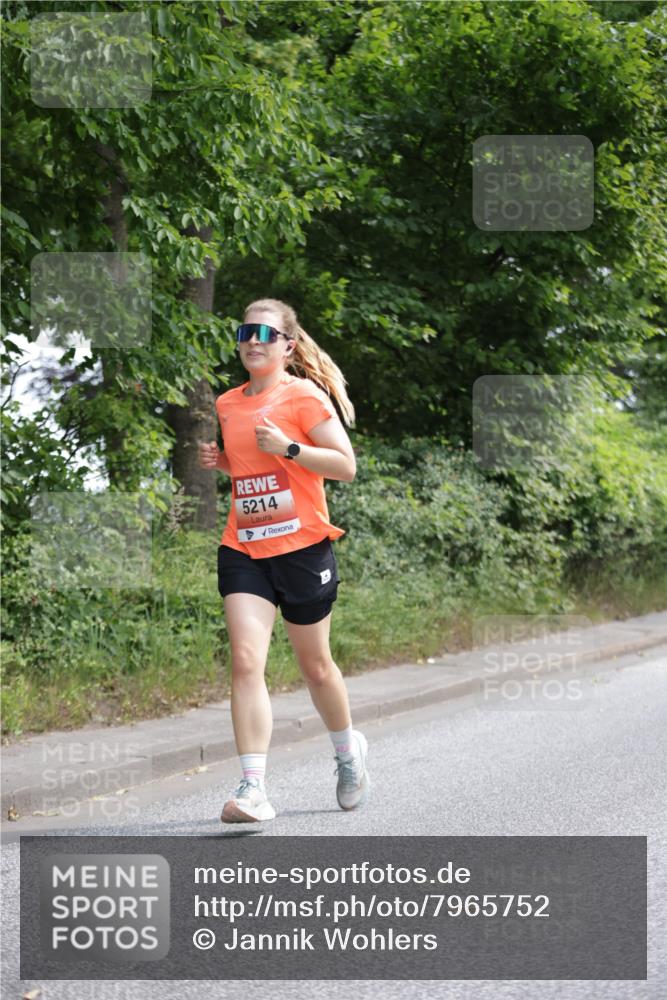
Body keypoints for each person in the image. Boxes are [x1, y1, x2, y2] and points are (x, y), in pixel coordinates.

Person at [198, 297, 369, 823]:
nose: (254, 339)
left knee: (315, 667)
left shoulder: (303, 396)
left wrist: (290, 448)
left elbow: (345, 466)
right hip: (244, 546)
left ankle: (348, 755)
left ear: (288, 347)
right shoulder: (228, 403)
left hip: (302, 549)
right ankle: (253, 789)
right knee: (247, 661)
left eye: (266, 333)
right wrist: (226, 461)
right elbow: (253, 470)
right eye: (246, 330)